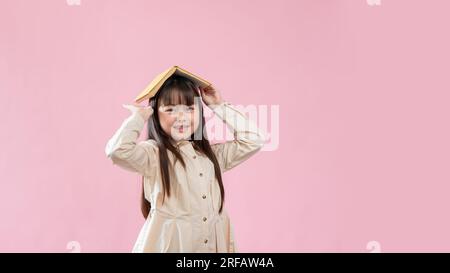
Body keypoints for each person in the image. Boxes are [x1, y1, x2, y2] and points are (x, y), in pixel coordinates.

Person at [105, 74, 265, 252]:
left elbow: (254, 139)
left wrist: (219, 106)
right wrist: (139, 117)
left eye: (190, 108)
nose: (181, 117)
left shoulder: (211, 156)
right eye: (170, 109)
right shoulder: (154, 154)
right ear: (155, 114)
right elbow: (117, 151)